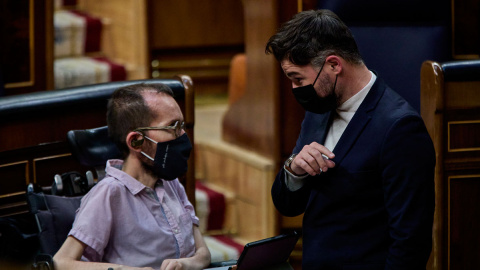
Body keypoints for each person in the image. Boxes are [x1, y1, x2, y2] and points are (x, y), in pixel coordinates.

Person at [266, 10, 435, 270]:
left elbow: (411, 241)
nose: (295, 89)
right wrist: (294, 170)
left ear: (334, 65)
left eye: (298, 78)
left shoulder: (400, 128)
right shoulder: (318, 108)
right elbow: (286, 205)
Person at [53, 83, 211, 270]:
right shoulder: (108, 193)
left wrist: (186, 264)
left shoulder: (171, 183)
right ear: (136, 141)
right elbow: (61, 263)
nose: (183, 136)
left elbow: (203, 253)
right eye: (172, 127)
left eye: (182, 126)